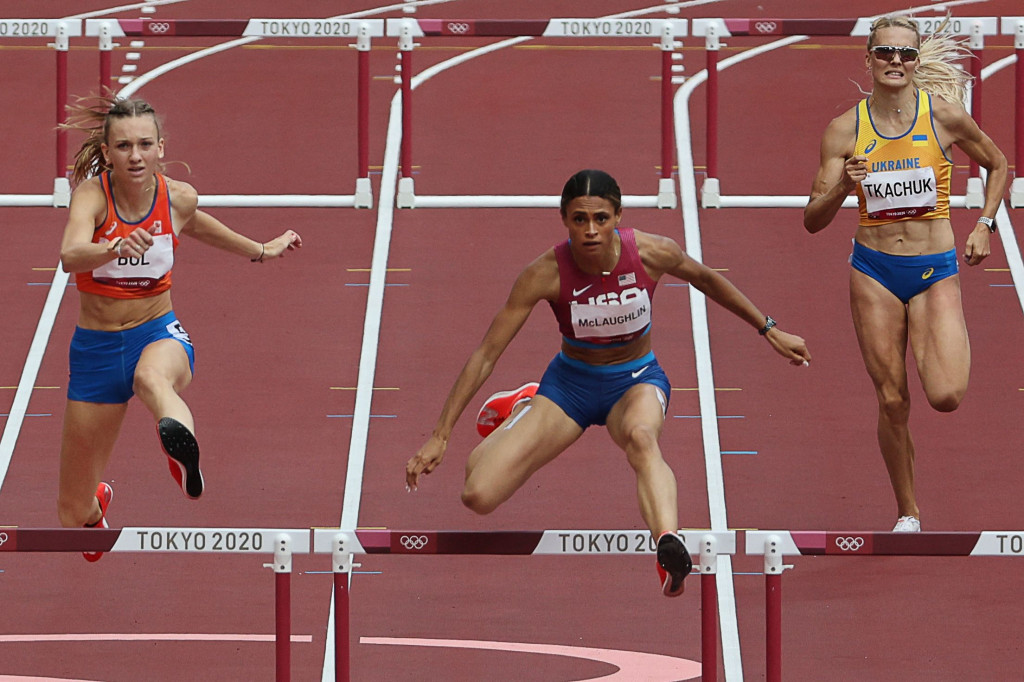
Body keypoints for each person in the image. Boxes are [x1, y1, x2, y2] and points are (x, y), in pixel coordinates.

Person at [406, 169, 811, 596]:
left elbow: (708, 279)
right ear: (564, 220)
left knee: (642, 438)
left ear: (618, 215)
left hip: (635, 381)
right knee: (479, 495)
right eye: (579, 219)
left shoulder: (653, 252)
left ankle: (667, 542)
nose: (591, 230)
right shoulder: (544, 273)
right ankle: (525, 406)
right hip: (570, 388)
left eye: (600, 217)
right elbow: (486, 353)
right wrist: (440, 435)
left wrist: (769, 329)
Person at [57, 96, 302, 560]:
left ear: (160, 148)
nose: (135, 155)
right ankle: (96, 504)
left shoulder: (178, 198)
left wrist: (263, 250)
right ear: (108, 153)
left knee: (151, 379)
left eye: (145, 145)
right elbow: (71, 255)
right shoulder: (92, 196)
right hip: (96, 351)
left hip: (157, 332)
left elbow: (205, 228)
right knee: (71, 515)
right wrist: (114, 246)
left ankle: (181, 453)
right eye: (124, 146)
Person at [804, 16, 1007, 532]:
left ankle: (937, 330)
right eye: (886, 53)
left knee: (945, 395)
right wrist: (844, 189)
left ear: (917, 62)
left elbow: (999, 164)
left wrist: (984, 225)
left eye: (906, 54)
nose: (896, 61)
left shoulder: (943, 117)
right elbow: (812, 220)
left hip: (933, 267)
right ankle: (908, 512)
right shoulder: (845, 130)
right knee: (892, 398)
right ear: (868, 60)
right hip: (873, 270)